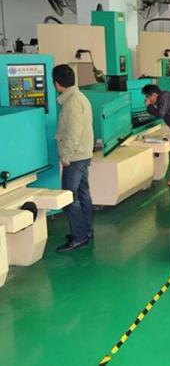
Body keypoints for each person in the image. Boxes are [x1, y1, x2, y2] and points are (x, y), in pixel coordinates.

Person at [52, 64, 94, 253]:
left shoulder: (72, 103)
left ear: (57, 83)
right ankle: (86, 230)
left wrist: (66, 156)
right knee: (83, 193)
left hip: (75, 157)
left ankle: (79, 237)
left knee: (69, 197)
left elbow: (73, 134)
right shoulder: (80, 97)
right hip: (83, 154)